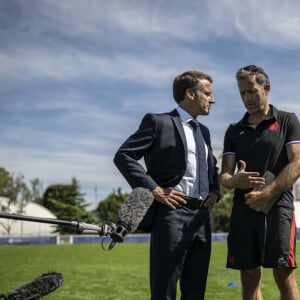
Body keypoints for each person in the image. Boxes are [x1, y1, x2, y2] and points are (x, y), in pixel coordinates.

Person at [114, 70, 220, 300]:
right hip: (172, 214)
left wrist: (215, 191)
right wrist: (155, 189)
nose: (213, 99)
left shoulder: (204, 132)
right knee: (164, 291)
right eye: (208, 93)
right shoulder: (158, 122)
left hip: (202, 218)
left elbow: (212, 167)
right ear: (190, 93)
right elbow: (124, 156)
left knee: (196, 292)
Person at [220, 64, 300, 300]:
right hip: (243, 211)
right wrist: (235, 180)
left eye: (252, 91)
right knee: (249, 280)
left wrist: (267, 193)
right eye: (242, 93)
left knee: (284, 278)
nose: (247, 98)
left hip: (278, 208)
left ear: (266, 88)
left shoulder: (287, 121)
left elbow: (296, 163)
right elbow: (224, 177)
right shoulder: (234, 131)